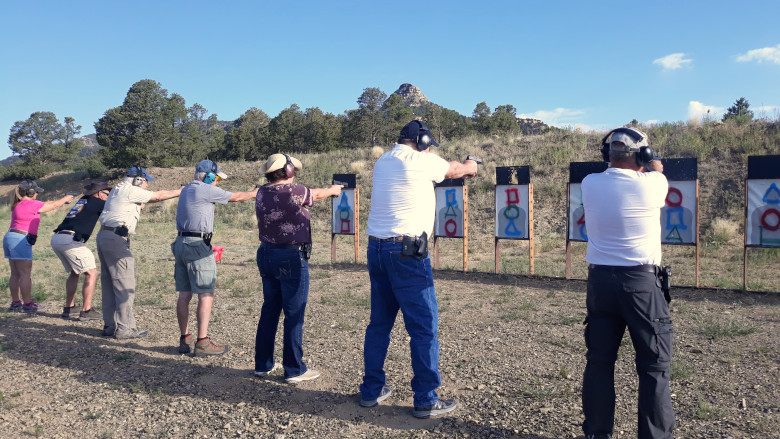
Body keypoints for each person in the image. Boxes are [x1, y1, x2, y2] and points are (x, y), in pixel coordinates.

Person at [360, 120, 477, 418]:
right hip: (406, 252)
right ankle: (425, 398)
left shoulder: (383, 160)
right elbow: (455, 170)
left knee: (379, 324)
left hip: (376, 248)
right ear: (422, 141)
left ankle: (371, 391)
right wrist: (470, 163)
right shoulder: (420, 160)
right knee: (424, 327)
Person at [580, 127, 674, 439]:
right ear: (642, 155)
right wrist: (654, 166)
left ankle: (597, 432)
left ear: (607, 154)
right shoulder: (653, 183)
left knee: (599, 362)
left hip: (600, 283)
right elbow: (657, 174)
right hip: (640, 284)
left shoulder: (590, 183)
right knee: (653, 366)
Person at [254, 153, 342, 383]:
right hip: (290, 255)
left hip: (266, 253)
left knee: (270, 310)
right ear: (288, 171)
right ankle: (294, 369)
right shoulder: (296, 191)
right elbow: (318, 194)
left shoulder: (262, 191)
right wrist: (333, 189)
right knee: (294, 313)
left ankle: (263, 365)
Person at [174, 160, 258, 356]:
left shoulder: (187, 189)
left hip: (181, 243)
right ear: (209, 176)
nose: (218, 181)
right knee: (205, 293)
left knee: (185, 293)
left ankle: (185, 339)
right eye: (217, 177)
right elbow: (236, 197)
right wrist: (255, 193)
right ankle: (202, 342)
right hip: (197, 245)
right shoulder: (204, 189)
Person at [97, 167, 182, 340]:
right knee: (124, 285)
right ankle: (125, 329)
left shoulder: (119, 189)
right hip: (116, 239)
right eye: (145, 181)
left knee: (109, 284)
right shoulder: (130, 190)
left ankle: (110, 325)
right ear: (137, 180)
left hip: (105, 236)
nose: (147, 184)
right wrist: (181, 191)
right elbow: (158, 196)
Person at [4, 180, 74, 313]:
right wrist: (65, 199)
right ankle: (28, 305)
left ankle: (16, 303)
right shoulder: (30, 204)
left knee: (15, 273)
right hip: (20, 239)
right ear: (30, 193)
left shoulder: (19, 204)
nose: (37, 193)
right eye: (35, 191)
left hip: (11, 237)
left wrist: (62, 200)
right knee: (25, 274)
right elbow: (53, 205)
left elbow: (47, 204)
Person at [51, 181, 112, 321]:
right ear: (98, 193)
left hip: (59, 237)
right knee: (92, 272)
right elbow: (115, 208)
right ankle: (86, 311)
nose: (109, 197)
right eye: (107, 194)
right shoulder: (97, 202)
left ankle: (69, 308)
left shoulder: (83, 200)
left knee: (75, 272)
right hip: (71, 239)